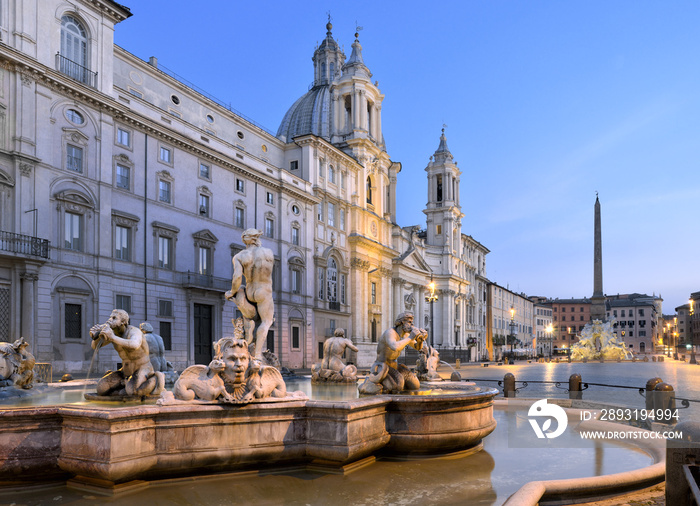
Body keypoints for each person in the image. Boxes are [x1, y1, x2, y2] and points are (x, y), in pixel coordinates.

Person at [225, 229, 274, 359]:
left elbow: (237, 278)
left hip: (249, 291)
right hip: (263, 291)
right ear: (257, 238)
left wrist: (231, 292)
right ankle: (257, 355)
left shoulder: (240, 256)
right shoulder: (268, 253)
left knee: (240, 289)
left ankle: (249, 326)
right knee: (266, 321)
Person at [90, 309, 164, 397]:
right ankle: (125, 385)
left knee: (133, 392)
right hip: (125, 371)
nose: (109, 320)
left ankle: (155, 378)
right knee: (101, 389)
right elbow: (95, 346)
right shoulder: (113, 333)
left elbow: (134, 344)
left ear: (123, 322)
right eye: (110, 317)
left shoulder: (134, 331)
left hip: (142, 368)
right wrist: (95, 336)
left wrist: (112, 337)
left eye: (114, 318)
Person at [359, 312, 428, 394]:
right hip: (382, 366)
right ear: (402, 322)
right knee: (398, 385)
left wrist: (420, 340)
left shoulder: (405, 335)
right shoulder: (390, 333)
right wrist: (410, 337)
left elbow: (417, 347)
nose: (412, 324)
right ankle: (374, 385)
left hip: (395, 366)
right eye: (409, 322)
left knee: (415, 385)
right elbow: (395, 347)